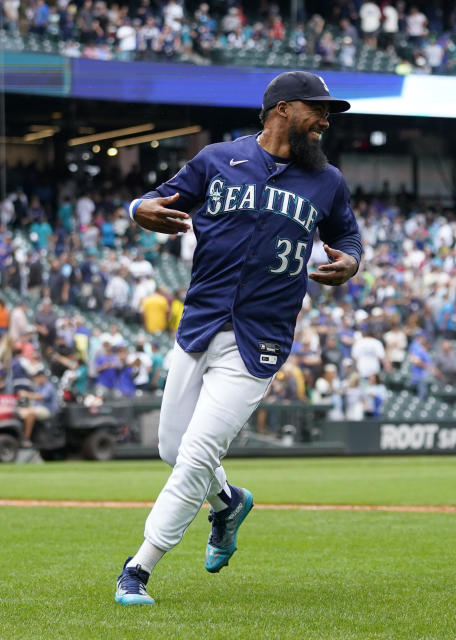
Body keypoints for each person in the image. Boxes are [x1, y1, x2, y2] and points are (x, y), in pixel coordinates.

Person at [114, 71, 362, 605]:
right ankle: (227, 503)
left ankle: (138, 567)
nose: (324, 121)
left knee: (197, 452)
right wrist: (139, 210)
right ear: (281, 109)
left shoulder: (327, 180)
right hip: (201, 323)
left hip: (261, 338)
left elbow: (345, 233)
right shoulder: (217, 159)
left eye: (327, 114)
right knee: (171, 447)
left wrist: (351, 261)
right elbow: (154, 199)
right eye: (316, 110)